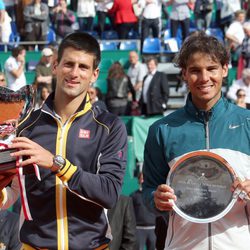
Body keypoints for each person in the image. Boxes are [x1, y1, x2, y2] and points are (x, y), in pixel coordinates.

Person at [0, 32, 128, 249]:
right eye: (68, 64)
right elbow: (13, 190)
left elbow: (109, 193)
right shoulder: (26, 124)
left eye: (83, 67)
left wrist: (56, 164)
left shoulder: (109, 126)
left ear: (95, 74)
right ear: (55, 66)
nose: (74, 73)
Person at [142, 31, 250, 249]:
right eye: (195, 71)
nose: (204, 78)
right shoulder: (161, 130)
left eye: (211, 69)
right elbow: (148, 191)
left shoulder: (247, 123)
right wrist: (156, 198)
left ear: (225, 69)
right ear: (183, 74)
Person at [130, 172, 156, 250]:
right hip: (138, 230)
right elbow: (130, 214)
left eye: (144, 178)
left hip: (153, 230)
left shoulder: (154, 195)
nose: (143, 180)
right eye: (141, 178)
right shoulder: (133, 196)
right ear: (139, 180)